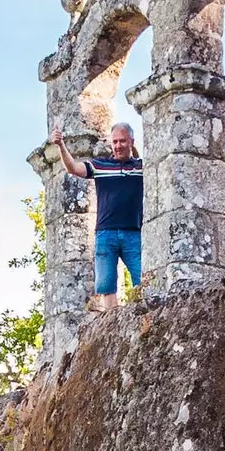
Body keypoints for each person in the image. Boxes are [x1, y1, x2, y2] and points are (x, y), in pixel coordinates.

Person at [50, 120, 143, 309]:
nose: (118, 146)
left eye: (122, 141)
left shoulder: (141, 167)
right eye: (115, 141)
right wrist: (61, 145)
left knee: (142, 277)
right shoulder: (101, 165)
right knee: (106, 283)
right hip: (105, 233)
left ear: (131, 141)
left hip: (133, 233)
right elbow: (73, 168)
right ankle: (113, 324)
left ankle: (141, 319)